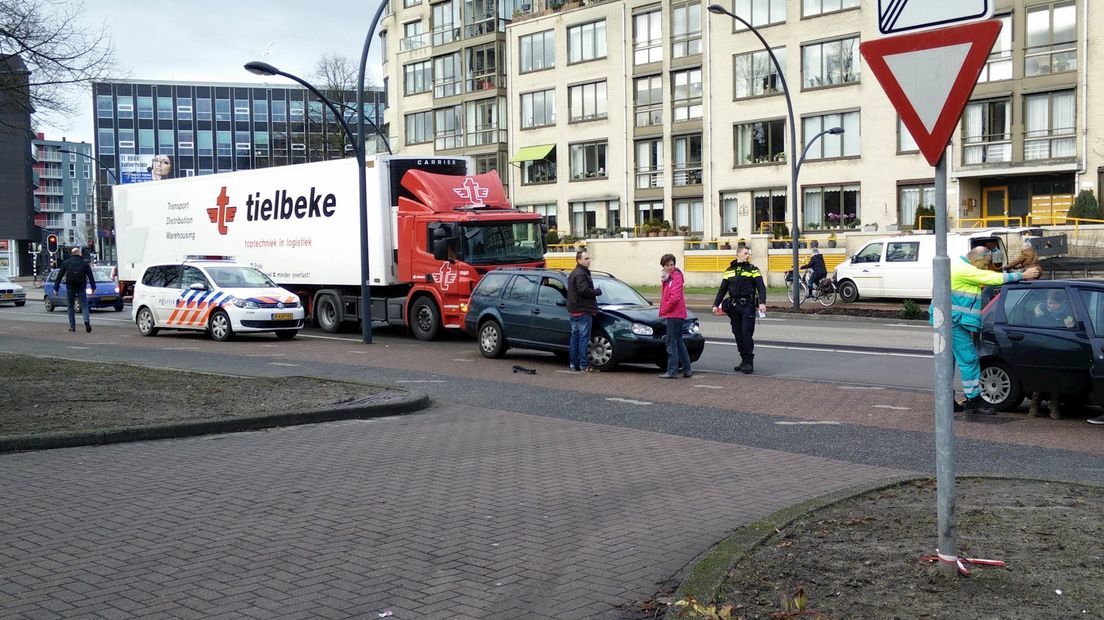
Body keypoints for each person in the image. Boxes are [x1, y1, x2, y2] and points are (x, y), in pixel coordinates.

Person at [943, 246, 1040, 415]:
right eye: (985, 263)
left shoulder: (957, 264)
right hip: (955, 322)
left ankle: (945, 400)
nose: (985, 267)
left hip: (946, 320)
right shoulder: (966, 270)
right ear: (977, 259)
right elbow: (989, 277)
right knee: (970, 360)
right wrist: (1022, 275)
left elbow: (985, 279)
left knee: (946, 363)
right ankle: (974, 400)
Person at [712, 246, 767, 374]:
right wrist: (716, 304)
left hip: (747, 305)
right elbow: (722, 289)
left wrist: (763, 302)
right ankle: (743, 359)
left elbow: (761, 287)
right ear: (738, 254)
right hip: (734, 306)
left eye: (749, 253)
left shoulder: (753, 269)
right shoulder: (729, 270)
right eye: (745, 253)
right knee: (737, 334)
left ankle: (749, 362)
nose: (748, 255)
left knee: (746, 333)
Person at [566, 250, 602, 373]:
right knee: (583, 338)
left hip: (574, 310)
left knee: (575, 337)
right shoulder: (581, 274)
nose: (589, 261)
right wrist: (597, 291)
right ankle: (583, 364)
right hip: (583, 311)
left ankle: (573, 363)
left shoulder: (574, 273)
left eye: (589, 258)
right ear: (579, 260)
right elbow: (583, 291)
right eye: (586, 259)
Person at [658, 254, 692, 379]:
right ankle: (687, 369)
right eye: (667, 265)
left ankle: (672, 370)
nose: (669, 267)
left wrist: (665, 308)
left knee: (671, 342)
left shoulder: (676, 277)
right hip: (675, 313)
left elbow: (675, 297)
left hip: (674, 313)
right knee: (678, 341)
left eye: (671, 264)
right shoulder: (668, 278)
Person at [53, 247, 97, 333]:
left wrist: (56, 288)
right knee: (84, 305)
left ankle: (72, 327)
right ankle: (86, 321)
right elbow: (90, 276)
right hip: (81, 286)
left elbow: (59, 276)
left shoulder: (66, 263)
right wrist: (93, 287)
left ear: (72, 254)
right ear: (79, 254)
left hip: (70, 286)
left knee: (70, 306)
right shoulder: (84, 263)